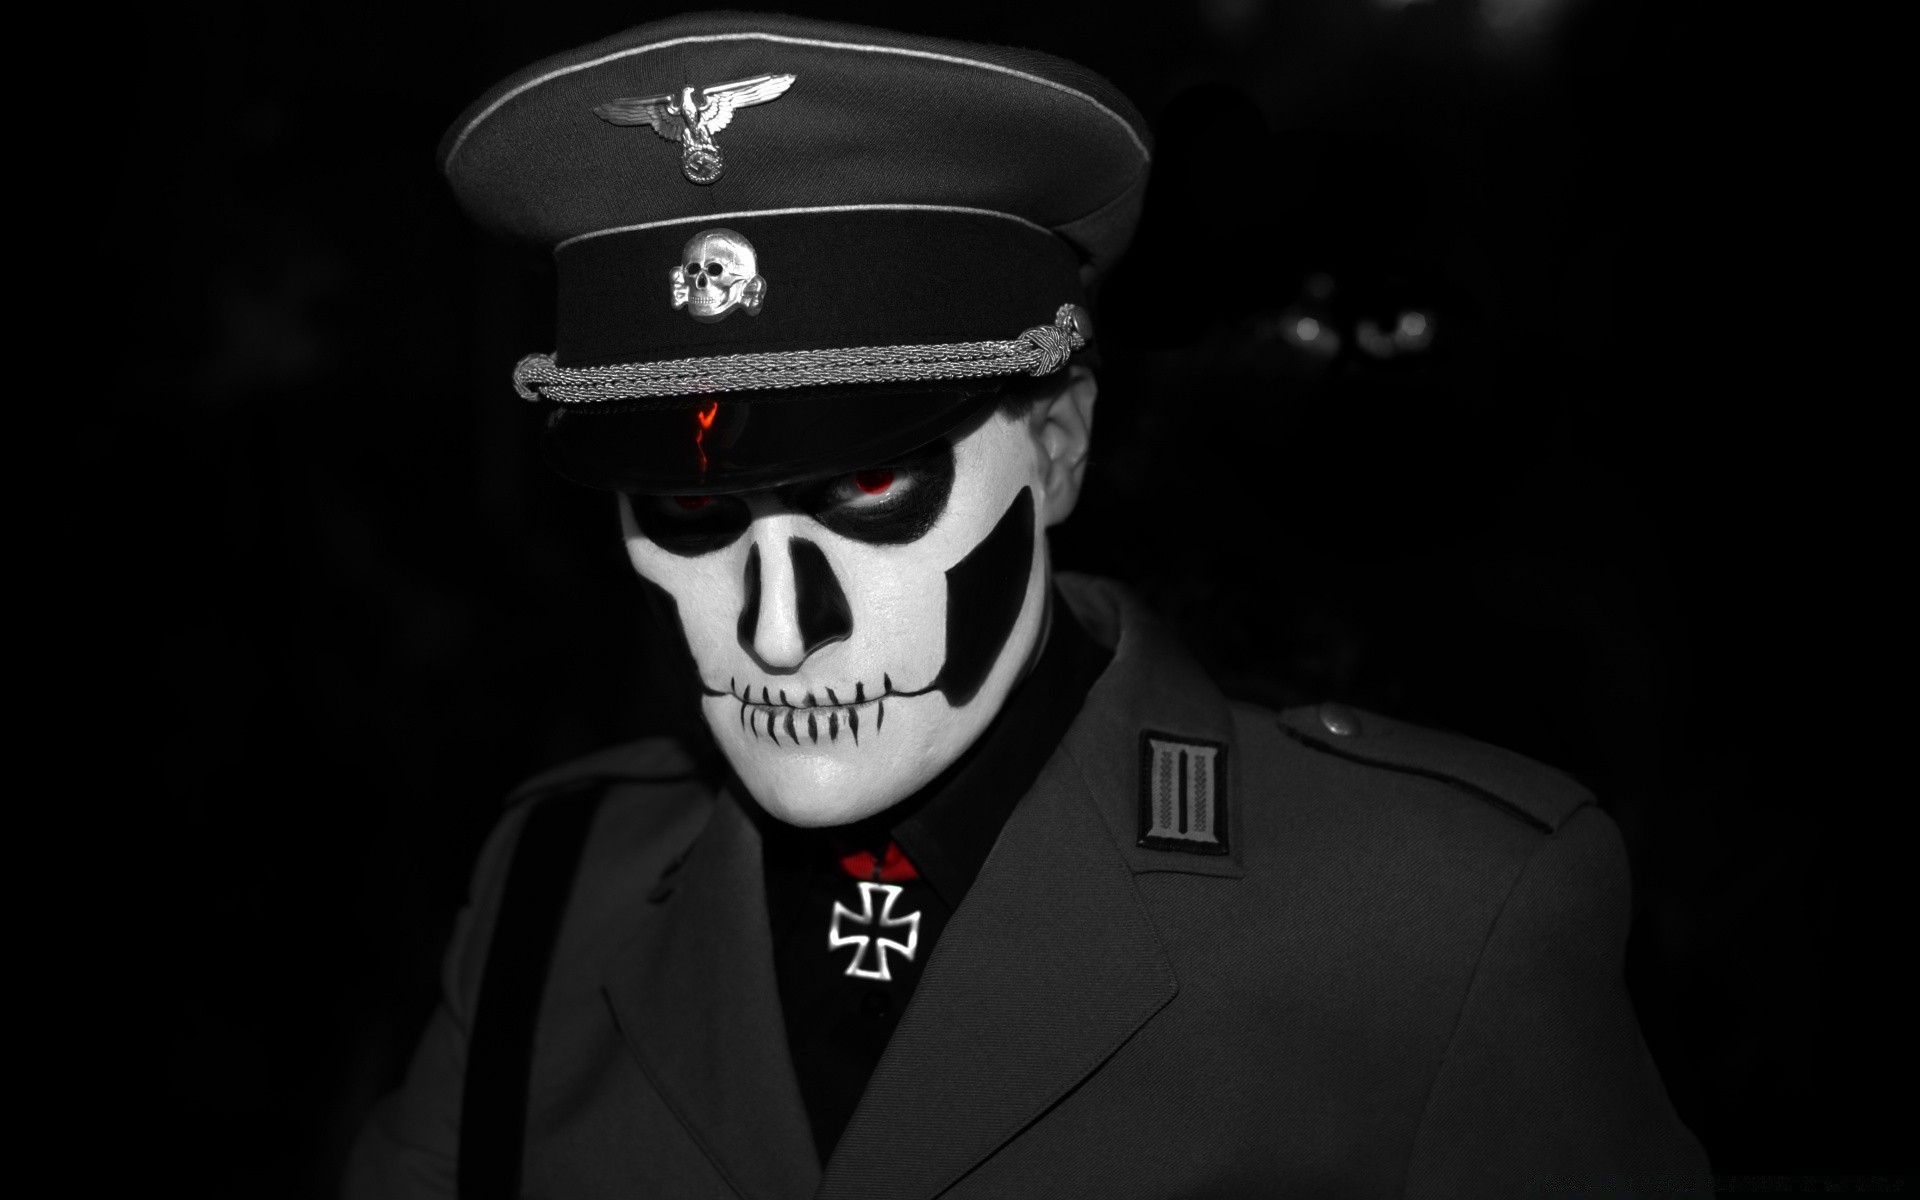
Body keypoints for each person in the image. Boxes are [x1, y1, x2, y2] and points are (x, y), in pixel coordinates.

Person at [347, 12, 1712, 1198]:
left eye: (871, 482)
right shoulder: (549, 896)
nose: (776, 629)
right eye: (689, 507)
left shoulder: (1435, 926)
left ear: (1056, 448)